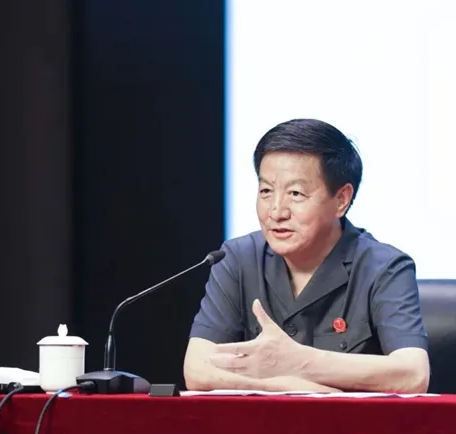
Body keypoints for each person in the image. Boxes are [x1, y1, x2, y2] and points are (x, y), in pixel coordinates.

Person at [183, 119, 430, 393]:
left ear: (341, 200)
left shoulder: (384, 267)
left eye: (296, 193)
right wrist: (286, 385)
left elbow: (413, 375)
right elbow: (197, 369)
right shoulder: (237, 259)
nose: (276, 211)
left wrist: (300, 363)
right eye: (266, 191)